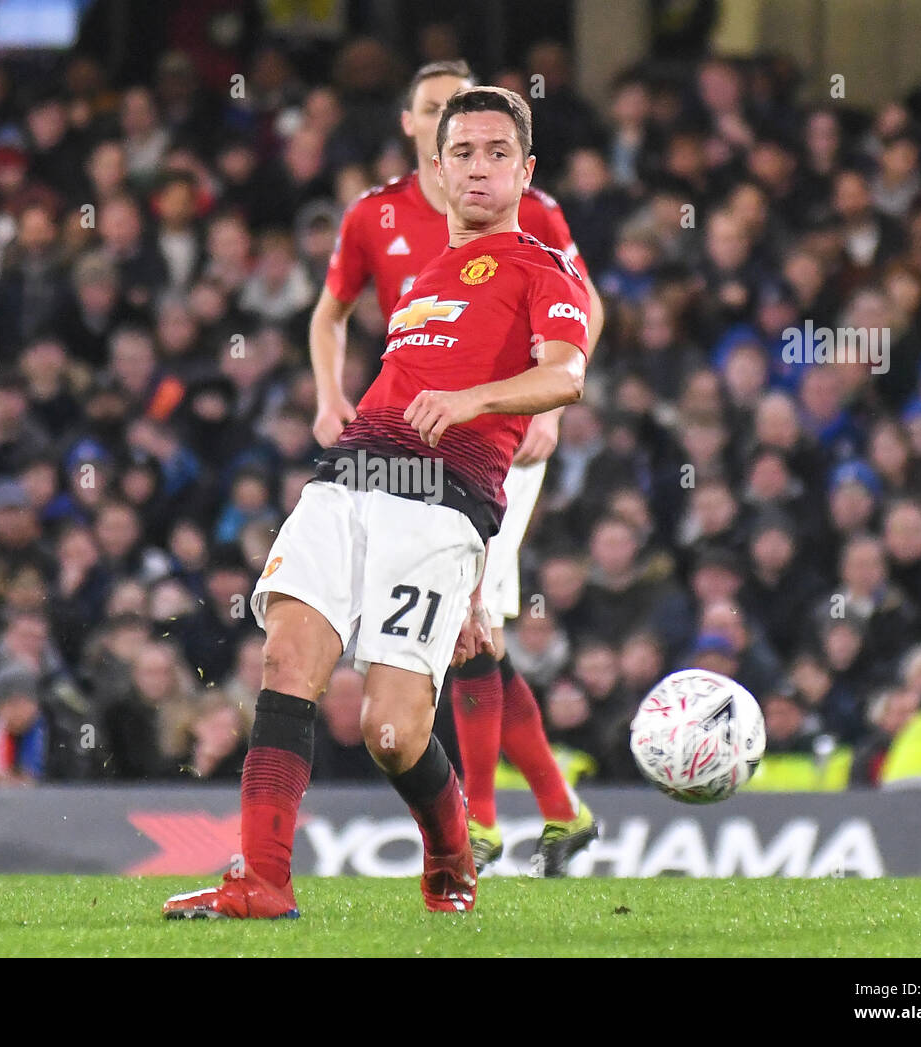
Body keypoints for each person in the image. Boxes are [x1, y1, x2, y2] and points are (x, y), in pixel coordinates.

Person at [163, 85, 589, 920]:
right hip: (346, 481)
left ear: (525, 170)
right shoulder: (424, 276)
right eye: (460, 151)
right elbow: (384, 372)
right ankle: (263, 880)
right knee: (286, 660)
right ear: (436, 167)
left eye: (497, 152)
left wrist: (475, 405)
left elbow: (567, 375)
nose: (477, 167)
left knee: (393, 734)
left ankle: (451, 848)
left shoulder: (545, 266)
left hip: (442, 507)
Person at [307, 59, 605, 876]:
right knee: (469, 630)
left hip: (493, 431)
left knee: (476, 625)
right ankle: (555, 808)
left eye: (490, 143)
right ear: (418, 132)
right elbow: (330, 312)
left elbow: (582, 309)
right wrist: (331, 396)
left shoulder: (526, 212)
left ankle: (482, 816)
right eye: (444, 121)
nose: (476, 156)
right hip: (404, 434)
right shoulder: (377, 216)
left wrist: (537, 408)